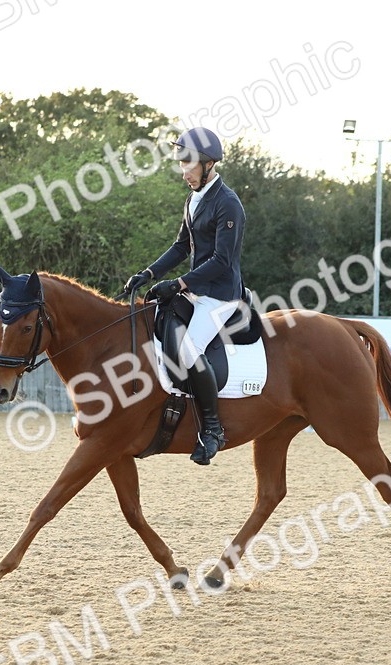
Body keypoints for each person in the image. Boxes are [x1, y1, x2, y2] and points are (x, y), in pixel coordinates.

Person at [125, 127, 246, 466]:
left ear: (208, 164)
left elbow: (221, 261)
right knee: (157, 320)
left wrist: (178, 284)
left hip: (219, 296)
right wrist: (148, 274)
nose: (183, 172)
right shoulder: (194, 198)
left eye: (188, 166)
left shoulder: (228, 204)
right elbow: (182, 246)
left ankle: (212, 429)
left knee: (190, 350)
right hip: (195, 291)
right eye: (180, 165)